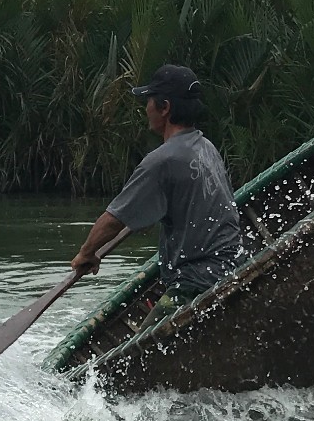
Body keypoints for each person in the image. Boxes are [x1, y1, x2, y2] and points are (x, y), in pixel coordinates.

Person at [71, 64, 242, 311]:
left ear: (165, 108)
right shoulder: (207, 147)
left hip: (195, 282)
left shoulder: (163, 160)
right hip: (233, 265)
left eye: (149, 101)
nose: (146, 108)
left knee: (141, 348)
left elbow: (112, 220)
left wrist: (86, 253)